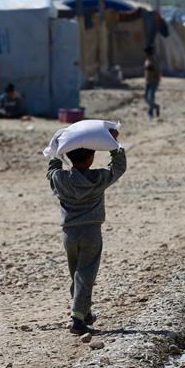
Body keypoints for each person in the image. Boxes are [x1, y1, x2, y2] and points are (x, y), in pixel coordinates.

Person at [47, 130, 127, 334]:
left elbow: (52, 170)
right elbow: (119, 167)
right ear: (91, 157)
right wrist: (113, 144)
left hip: (69, 234)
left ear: (70, 157)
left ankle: (85, 311)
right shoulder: (98, 177)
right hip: (91, 232)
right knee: (86, 274)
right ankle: (78, 319)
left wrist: (57, 151)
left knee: (76, 274)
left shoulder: (61, 179)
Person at [143, 46, 161, 120]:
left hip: (154, 82)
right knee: (146, 98)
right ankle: (155, 106)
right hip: (148, 82)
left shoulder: (154, 61)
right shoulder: (147, 61)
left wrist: (157, 80)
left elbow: (158, 71)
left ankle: (150, 113)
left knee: (151, 97)